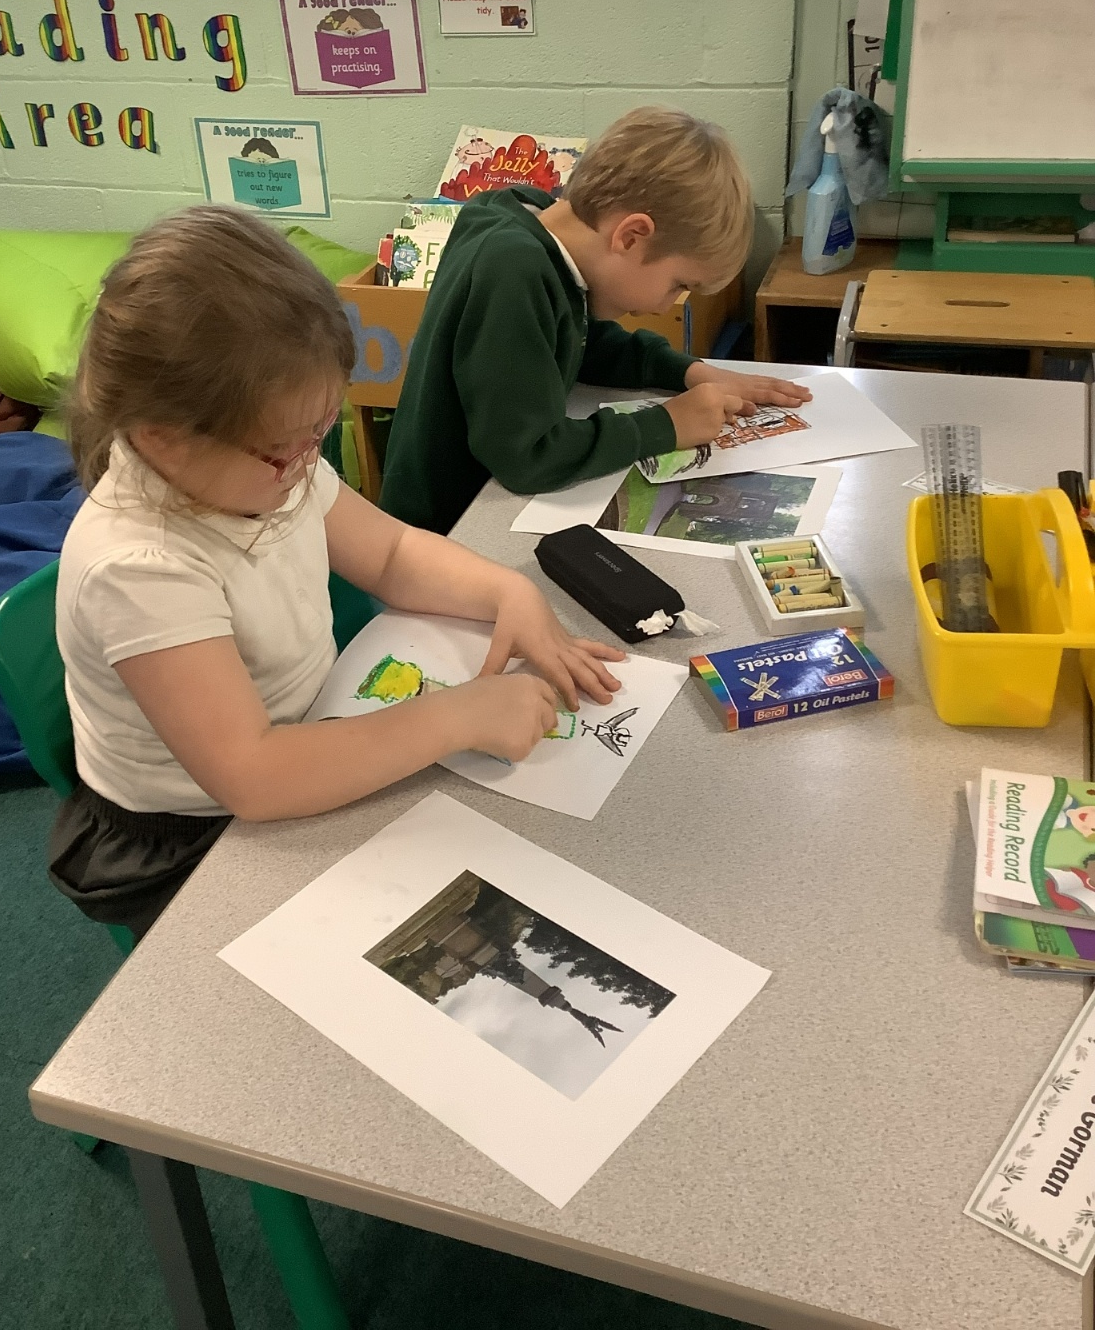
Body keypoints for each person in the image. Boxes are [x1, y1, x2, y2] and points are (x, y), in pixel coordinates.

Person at [49, 207, 623, 939]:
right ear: (165, 438)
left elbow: (391, 554)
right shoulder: (139, 568)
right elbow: (255, 777)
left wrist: (507, 590)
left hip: (306, 737)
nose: (307, 463)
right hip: (198, 835)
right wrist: (459, 716)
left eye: (320, 431)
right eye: (289, 446)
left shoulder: (263, 466)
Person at [380, 107, 812, 535]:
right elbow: (527, 456)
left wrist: (690, 372)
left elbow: (583, 343)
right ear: (631, 236)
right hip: (438, 531)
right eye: (678, 284)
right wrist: (665, 425)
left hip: (470, 516)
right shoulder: (513, 268)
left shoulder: (534, 228)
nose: (667, 306)